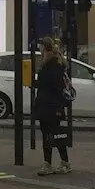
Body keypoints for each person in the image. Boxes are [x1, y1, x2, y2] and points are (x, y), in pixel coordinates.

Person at [33, 38, 72, 175]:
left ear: (45, 47)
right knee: (48, 134)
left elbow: (56, 85)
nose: (39, 49)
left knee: (55, 134)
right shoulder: (49, 63)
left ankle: (63, 162)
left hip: (51, 104)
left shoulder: (54, 64)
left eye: (40, 46)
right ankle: (49, 163)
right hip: (46, 103)